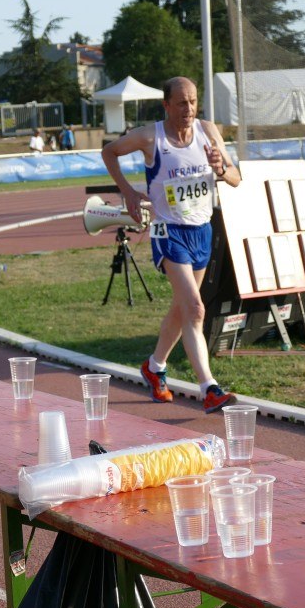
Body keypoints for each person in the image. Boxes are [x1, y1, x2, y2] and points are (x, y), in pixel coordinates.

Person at [101, 76, 241, 414]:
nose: (188, 109)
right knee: (195, 308)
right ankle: (209, 387)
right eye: (181, 102)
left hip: (201, 231)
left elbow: (236, 178)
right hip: (168, 231)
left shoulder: (208, 131)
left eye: (193, 101)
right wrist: (129, 192)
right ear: (166, 105)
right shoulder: (151, 136)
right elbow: (109, 152)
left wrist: (222, 169)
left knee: (183, 309)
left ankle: (154, 365)